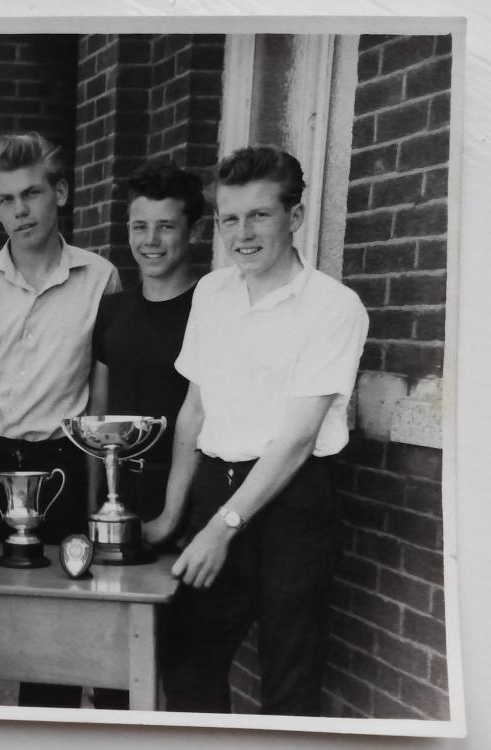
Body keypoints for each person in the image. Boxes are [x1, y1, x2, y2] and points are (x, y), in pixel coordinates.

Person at [148, 146, 369, 715]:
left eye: (259, 215)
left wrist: (220, 531)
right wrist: (176, 514)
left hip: (292, 502)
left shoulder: (334, 307)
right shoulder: (211, 293)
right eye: (229, 218)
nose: (241, 233)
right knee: (187, 664)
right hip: (214, 490)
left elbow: (297, 440)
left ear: (294, 218)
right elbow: (194, 412)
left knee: (289, 682)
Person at [0, 132, 121, 708]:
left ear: (59, 192)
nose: (19, 210)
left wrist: (96, 508)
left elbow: (100, 407)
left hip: (59, 467)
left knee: (53, 641)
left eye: (31, 193)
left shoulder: (99, 278)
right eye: (5, 199)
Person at [88, 159, 204, 711]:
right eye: (139, 226)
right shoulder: (111, 312)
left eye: (166, 226)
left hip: (188, 502)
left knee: (182, 669)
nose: (150, 241)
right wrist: (92, 510)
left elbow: (204, 418)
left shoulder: (212, 309)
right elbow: (97, 414)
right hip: (119, 500)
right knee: (111, 670)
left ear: (193, 231)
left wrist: (172, 517)